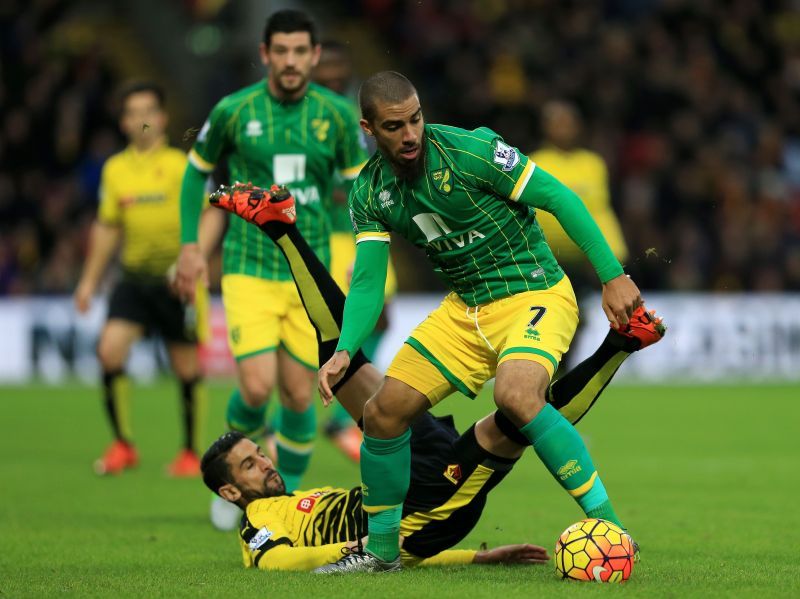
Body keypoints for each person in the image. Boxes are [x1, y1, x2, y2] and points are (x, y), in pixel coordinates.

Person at [201, 182, 664, 571]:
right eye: (249, 466)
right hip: (430, 503)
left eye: (258, 453)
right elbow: (278, 563)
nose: (264, 464)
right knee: (515, 420)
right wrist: (364, 551)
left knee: (342, 356)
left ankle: (281, 227)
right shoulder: (257, 522)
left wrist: (474, 560)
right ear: (230, 492)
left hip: (405, 465)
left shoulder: (299, 499)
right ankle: (620, 344)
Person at [314, 71, 645, 572]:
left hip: (533, 291)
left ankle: (611, 527)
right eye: (394, 126)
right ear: (368, 128)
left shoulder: (472, 152)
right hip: (464, 310)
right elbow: (366, 282)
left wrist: (612, 275)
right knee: (382, 414)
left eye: (416, 120)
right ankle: (382, 554)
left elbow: (560, 198)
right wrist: (345, 349)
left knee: (515, 397)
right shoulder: (369, 193)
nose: (409, 135)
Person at [174, 10, 368, 498]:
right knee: (257, 389)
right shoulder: (233, 111)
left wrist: (363, 247)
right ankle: (227, 477)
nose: (290, 61)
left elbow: (361, 191)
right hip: (248, 266)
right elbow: (196, 171)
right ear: (264, 55)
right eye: (280, 51)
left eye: (300, 51)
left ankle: (282, 501)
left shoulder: (338, 116)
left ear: (315, 56)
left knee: (300, 394)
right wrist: (190, 246)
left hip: (310, 272)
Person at [74, 82, 208, 477]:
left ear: (163, 118)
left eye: (149, 110)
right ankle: (123, 444)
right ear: (123, 121)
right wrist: (88, 281)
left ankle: (189, 452)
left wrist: (194, 259)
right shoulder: (115, 169)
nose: (142, 119)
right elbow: (107, 227)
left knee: (186, 368)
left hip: (176, 281)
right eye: (133, 112)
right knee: (109, 351)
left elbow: (209, 215)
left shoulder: (183, 166)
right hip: (133, 278)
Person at [529, 100, 628, 297]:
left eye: (568, 122)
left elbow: (600, 210)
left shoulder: (593, 164)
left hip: (584, 259)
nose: (564, 128)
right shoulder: (534, 162)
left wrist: (613, 253)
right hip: (544, 258)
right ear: (545, 127)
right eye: (557, 122)